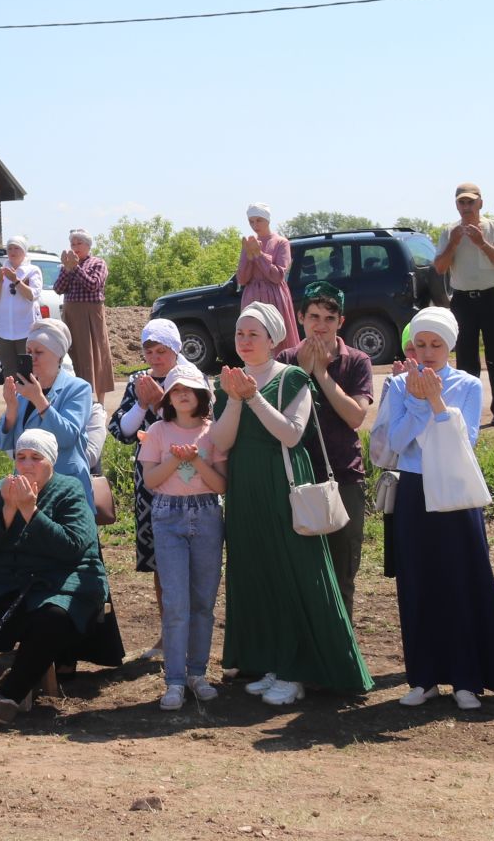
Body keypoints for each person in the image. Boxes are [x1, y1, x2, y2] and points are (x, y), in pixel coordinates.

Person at [208, 302, 371, 706]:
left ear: (273, 339)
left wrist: (253, 399)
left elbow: (292, 434)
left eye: (253, 335)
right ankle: (272, 663)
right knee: (257, 574)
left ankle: (299, 671)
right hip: (245, 487)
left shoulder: (292, 377)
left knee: (293, 575)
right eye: (240, 334)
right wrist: (233, 399)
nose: (244, 342)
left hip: (283, 483)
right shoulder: (228, 382)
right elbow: (222, 442)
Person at [374, 306, 494, 710]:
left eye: (435, 344)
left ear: (450, 346)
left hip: (454, 491)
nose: (427, 352)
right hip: (413, 490)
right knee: (416, 583)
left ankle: (466, 678)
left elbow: (466, 441)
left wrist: (436, 401)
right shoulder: (396, 386)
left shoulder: (468, 385)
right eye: (420, 344)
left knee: (459, 581)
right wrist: (417, 400)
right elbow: (398, 442)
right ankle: (422, 678)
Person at [0, 428, 108, 728]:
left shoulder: (69, 489)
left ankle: (9, 693)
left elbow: (72, 547)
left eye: (36, 457)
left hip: (62, 577)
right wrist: (8, 510)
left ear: (51, 462)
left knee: (54, 616)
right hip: (9, 578)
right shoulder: (1, 490)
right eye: (21, 457)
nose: (27, 465)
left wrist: (31, 511)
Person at [275, 283, 376, 615]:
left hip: (344, 477)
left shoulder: (357, 361)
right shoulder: (286, 360)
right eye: (314, 316)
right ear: (300, 317)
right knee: (299, 571)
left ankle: (342, 655)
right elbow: (277, 418)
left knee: (343, 571)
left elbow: (355, 416)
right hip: (296, 477)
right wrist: (302, 372)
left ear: (340, 322)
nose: (320, 325)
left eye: (329, 318)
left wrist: (321, 373)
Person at [139, 367, 227, 709]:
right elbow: (151, 480)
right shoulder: (158, 431)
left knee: (203, 601)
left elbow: (221, 485)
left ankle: (197, 673)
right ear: (167, 398)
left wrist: (196, 461)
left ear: (202, 394)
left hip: (207, 514)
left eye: (189, 389)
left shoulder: (212, 432)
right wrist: (177, 460)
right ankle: (174, 680)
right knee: (176, 602)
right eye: (175, 390)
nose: (182, 394)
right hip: (167, 515)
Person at [108, 318, 186, 649]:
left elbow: (195, 427)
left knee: (190, 557)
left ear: (176, 349)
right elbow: (121, 432)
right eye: (149, 351)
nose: (154, 358)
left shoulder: (190, 380)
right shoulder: (138, 381)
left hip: (187, 480)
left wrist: (158, 403)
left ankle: (189, 633)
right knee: (160, 559)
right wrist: (142, 403)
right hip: (149, 484)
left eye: (161, 351)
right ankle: (168, 633)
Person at [0, 319, 106, 498]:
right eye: (29, 352)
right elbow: (1, 443)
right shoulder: (23, 390)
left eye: (39, 352)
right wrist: (12, 410)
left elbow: (67, 437)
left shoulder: (78, 388)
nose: (32, 358)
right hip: (27, 487)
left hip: (65, 488)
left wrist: (38, 399)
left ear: (59, 356)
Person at [436, 183, 494, 426]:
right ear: (456, 205)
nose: (466, 207)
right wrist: (453, 243)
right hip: (463, 301)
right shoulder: (449, 232)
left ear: (480, 203)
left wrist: (482, 242)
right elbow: (440, 267)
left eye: (471, 202)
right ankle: (467, 411)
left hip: (492, 297)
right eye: (462, 202)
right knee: (466, 358)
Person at [55, 228, 114, 402]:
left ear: (88, 245)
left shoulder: (97, 263)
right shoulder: (66, 265)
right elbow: (59, 288)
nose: (75, 247)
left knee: (95, 354)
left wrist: (76, 269)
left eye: (79, 243)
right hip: (71, 314)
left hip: (91, 315)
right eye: (72, 243)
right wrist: (67, 269)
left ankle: (100, 403)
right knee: (73, 354)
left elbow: (93, 285)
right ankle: (77, 399)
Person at [238, 205, 300, 352]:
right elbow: (242, 278)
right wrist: (248, 256)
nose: (255, 225)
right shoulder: (249, 243)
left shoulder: (281, 242)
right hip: (252, 296)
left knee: (276, 338)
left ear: (267, 220)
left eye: (259, 220)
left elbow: (278, 275)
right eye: (251, 221)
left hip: (274, 297)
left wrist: (260, 255)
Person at [0, 236, 43, 386]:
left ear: (24, 251)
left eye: (16, 248)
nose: (12, 251)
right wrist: (0, 281)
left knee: (27, 371)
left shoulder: (32, 270)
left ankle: (30, 405)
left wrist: (15, 280)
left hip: (26, 329)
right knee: (9, 373)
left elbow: (32, 295)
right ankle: (13, 405)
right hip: (4, 330)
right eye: (10, 248)